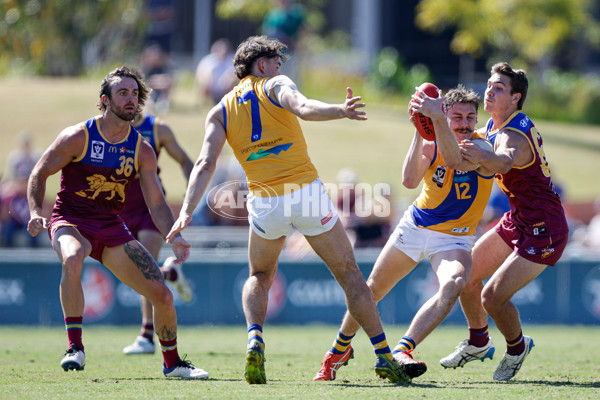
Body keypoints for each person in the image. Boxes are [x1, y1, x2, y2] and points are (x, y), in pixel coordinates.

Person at [166, 35, 410, 385]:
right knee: (351, 276)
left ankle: (254, 337)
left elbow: (205, 162)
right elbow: (304, 106)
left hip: (264, 201)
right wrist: (340, 111)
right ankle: (384, 355)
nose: (281, 67)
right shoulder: (275, 83)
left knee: (259, 276)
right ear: (262, 65)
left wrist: (186, 211)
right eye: (277, 61)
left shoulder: (219, 110)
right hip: (305, 192)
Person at [26, 66, 208, 379]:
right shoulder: (78, 136)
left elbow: (157, 204)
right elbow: (38, 173)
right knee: (72, 256)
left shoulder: (142, 149)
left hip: (112, 227)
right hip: (71, 220)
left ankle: (173, 364)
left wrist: (174, 235)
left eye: (135, 94)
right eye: (122, 93)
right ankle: (75, 348)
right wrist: (33, 211)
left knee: (162, 295)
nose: (130, 99)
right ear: (105, 100)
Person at [313, 85, 495, 381]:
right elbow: (409, 181)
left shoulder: (482, 146)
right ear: (446, 115)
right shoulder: (431, 140)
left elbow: (452, 160)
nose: (464, 124)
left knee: (455, 283)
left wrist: (435, 122)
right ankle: (338, 349)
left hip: (454, 237)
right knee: (371, 290)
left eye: (471, 117)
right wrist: (418, 128)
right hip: (416, 225)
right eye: (457, 116)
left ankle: (403, 349)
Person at [441, 62, 569, 381]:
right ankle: (479, 342)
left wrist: (482, 158)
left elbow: (504, 160)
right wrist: (434, 117)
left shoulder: (514, 134)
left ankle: (516, 349)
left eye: (499, 88)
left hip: (545, 230)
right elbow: (472, 144)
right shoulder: (495, 126)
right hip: (518, 219)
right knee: (466, 277)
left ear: (515, 98)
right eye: (489, 84)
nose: (489, 90)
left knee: (492, 297)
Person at [121, 112, 195, 355]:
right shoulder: (107, 129)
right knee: (130, 270)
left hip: (151, 207)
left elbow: (185, 160)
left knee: (144, 266)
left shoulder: (157, 129)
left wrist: (190, 197)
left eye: (135, 93)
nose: (130, 99)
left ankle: (146, 336)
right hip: (120, 207)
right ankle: (171, 273)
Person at [1, 131, 42, 247]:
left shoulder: (36, 156)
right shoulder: (15, 158)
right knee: (8, 230)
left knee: (32, 231)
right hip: (15, 216)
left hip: (29, 216)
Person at [195, 38, 237, 106]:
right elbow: (200, 75)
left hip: (226, 87)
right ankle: (207, 100)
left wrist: (227, 79)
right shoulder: (208, 61)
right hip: (211, 87)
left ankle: (227, 99)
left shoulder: (232, 60)